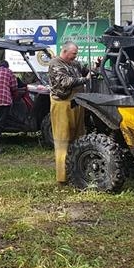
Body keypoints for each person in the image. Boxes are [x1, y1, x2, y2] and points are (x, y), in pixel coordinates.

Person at [48, 41, 94, 185]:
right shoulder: (56, 63)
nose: (75, 56)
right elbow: (65, 82)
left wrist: (95, 67)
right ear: (65, 51)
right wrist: (85, 79)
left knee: (78, 138)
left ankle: (78, 172)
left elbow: (86, 69)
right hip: (62, 104)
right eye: (73, 53)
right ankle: (62, 178)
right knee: (63, 141)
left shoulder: (73, 64)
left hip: (77, 104)